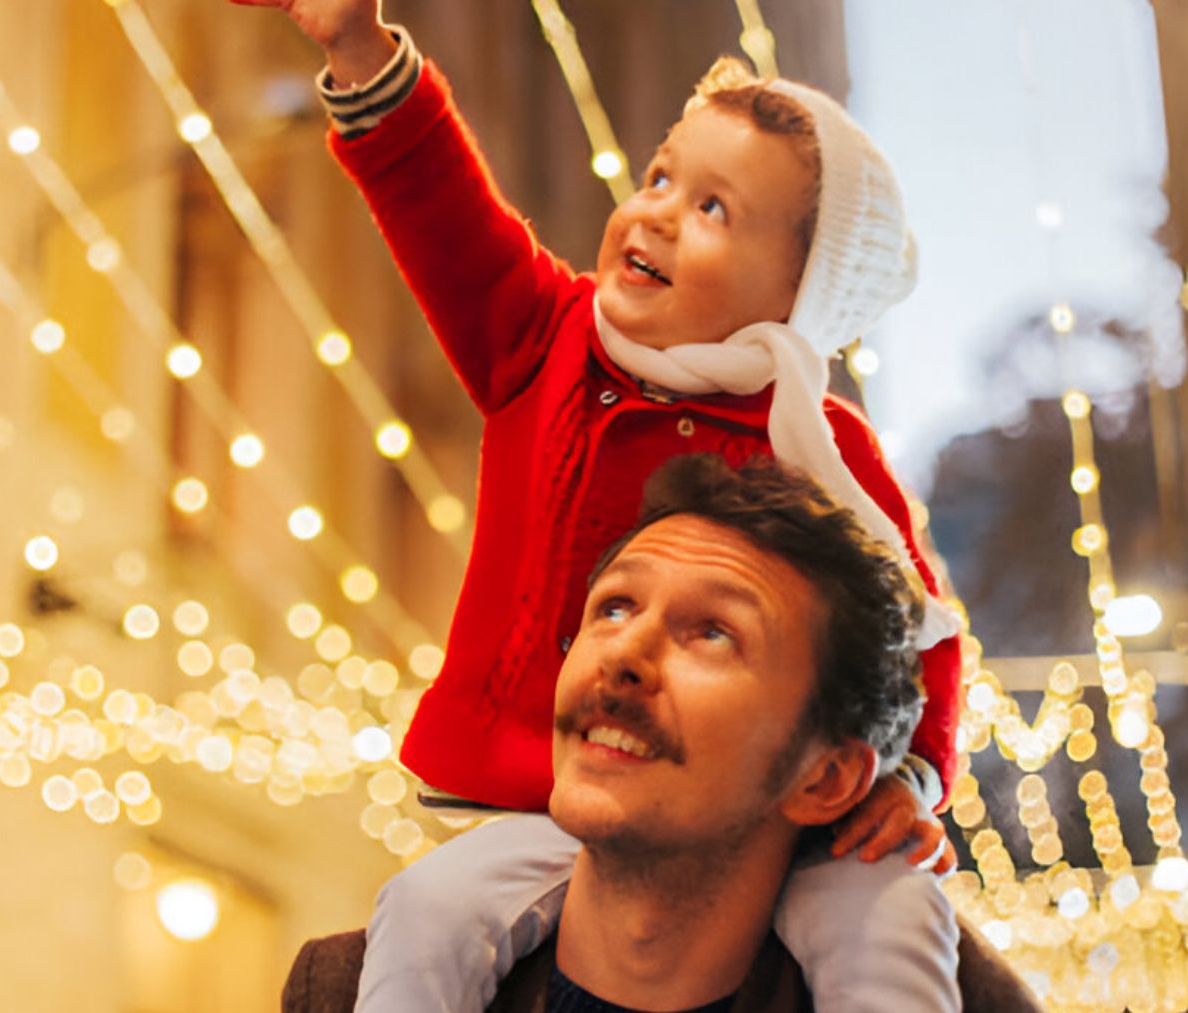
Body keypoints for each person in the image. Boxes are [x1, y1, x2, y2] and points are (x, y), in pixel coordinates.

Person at [230, 2, 967, 1009]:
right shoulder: (546, 339)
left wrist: (909, 777)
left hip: (770, 811)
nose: (658, 211)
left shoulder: (817, 446)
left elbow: (918, 630)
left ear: (802, 292)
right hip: (548, 792)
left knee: (890, 919)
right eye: (661, 175)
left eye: (715, 209)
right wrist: (360, 48)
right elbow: (443, 210)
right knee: (430, 910)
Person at [281, 456, 1040, 1013]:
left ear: (826, 778)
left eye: (713, 632)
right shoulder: (347, 991)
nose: (625, 656)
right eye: (613, 608)